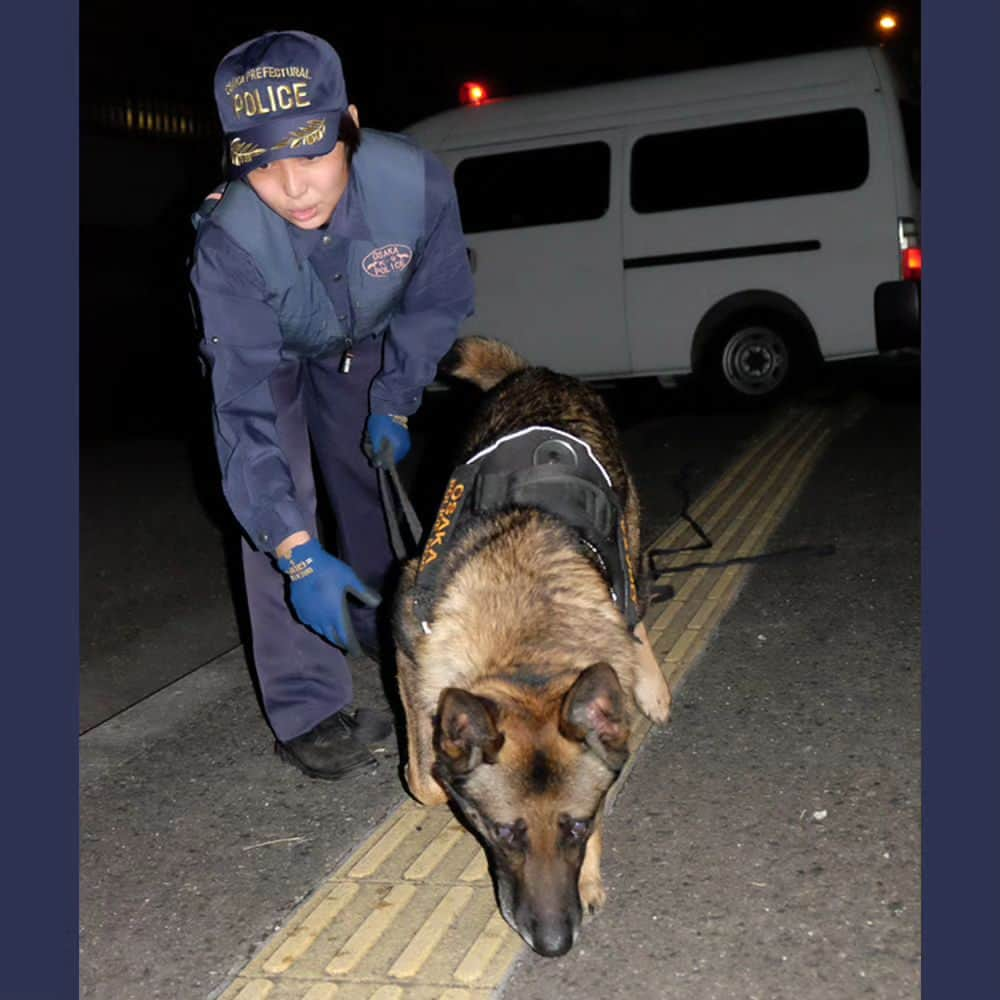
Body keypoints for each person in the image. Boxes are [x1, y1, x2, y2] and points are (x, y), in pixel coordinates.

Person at [189, 29, 475, 780]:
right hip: (272, 351)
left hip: (364, 337)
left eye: (312, 151)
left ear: (349, 123)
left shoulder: (415, 183)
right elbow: (243, 410)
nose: (295, 185)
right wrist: (295, 551)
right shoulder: (229, 243)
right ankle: (309, 708)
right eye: (263, 162)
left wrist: (398, 399)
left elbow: (436, 301)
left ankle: (391, 630)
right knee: (280, 507)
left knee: (371, 476)